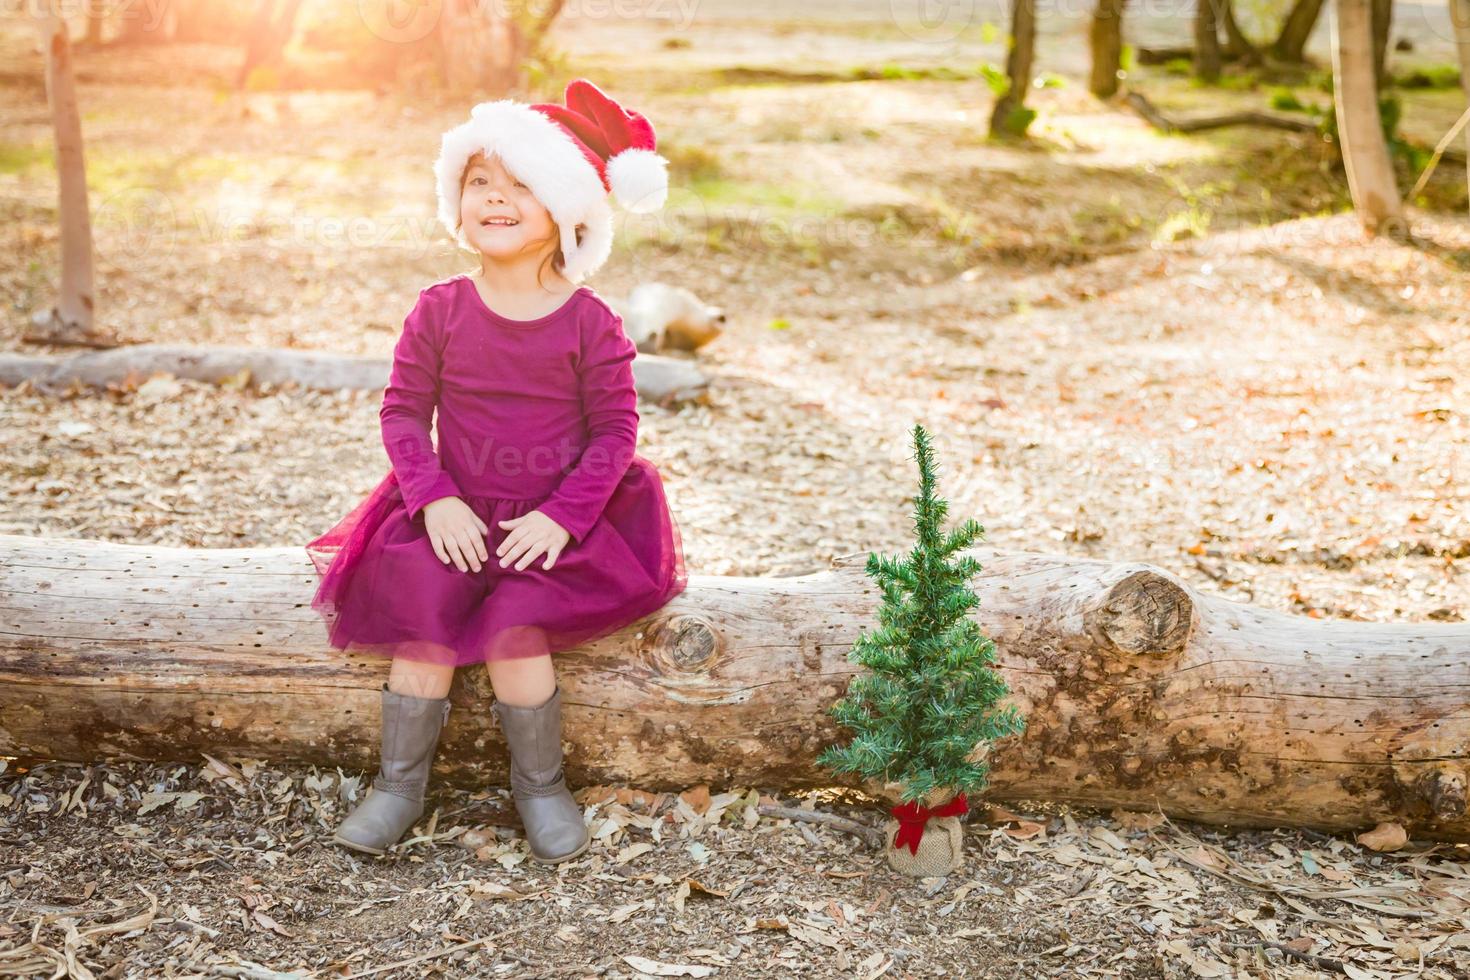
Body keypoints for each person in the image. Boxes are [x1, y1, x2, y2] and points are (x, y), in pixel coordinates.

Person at [304, 79, 688, 864]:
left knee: (517, 632)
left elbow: (616, 430)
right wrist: (433, 498)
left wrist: (560, 516)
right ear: (457, 201)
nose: (496, 198)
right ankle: (398, 786)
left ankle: (540, 786)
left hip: (554, 519)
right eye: (480, 182)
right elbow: (403, 414)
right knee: (424, 629)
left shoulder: (590, 321)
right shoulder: (440, 309)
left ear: (566, 211)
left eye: (521, 186)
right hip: (452, 508)